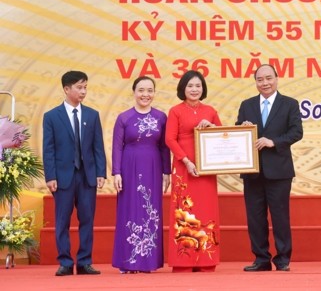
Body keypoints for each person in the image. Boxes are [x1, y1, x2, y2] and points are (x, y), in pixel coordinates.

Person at [235, 64, 303, 272]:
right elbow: (238, 132)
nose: (265, 83)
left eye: (268, 78)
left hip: (279, 171)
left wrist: (273, 141)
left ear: (276, 78)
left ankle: (283, 259)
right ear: (255, 82)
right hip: (252, 170)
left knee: (280, 216)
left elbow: (296, 132)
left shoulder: (289, 104)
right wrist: (242, 128)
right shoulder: (247, 105)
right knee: (255, 217)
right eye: (260, 79)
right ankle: (261, 259)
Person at [42, 70, 107, 276]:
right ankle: (65, 262)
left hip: (87, 176)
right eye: (79, 87)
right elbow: (49, 149)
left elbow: (98, 146)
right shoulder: (51, 116)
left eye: (85, 87)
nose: (83, 91)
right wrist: (50, 176)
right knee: (62, 220)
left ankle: (85, 261)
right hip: (63, 177)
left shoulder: (92, 115)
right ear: (66, 89)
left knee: (87, 219)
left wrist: (100, 172)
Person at [111, 76, 171, 273]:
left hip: (152, 167)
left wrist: (166, 172)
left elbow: (164, 147)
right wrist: (117, 172)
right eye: (141, 90)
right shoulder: (124, 117)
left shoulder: (161, 117)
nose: (145, 94)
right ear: (134, 92)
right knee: (129, 210)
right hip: (129, 167)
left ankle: (148, 262)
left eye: (149, 90)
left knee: (150, 210)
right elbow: (117, 147)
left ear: (154, 93)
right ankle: (128, 262)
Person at [165, 70, 222, 273]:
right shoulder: (175, 111)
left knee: (207, 211)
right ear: (183, 88)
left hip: (206, 169)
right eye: (190, 86)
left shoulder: (210, 110)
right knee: (184, 213)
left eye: (198, 86)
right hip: (184, 167)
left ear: (203, 88)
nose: (194, 89)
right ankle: (184, 260)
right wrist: (187, 161)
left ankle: (206, 260)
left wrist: (212, 126)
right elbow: (170, 139)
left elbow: (222, 137)